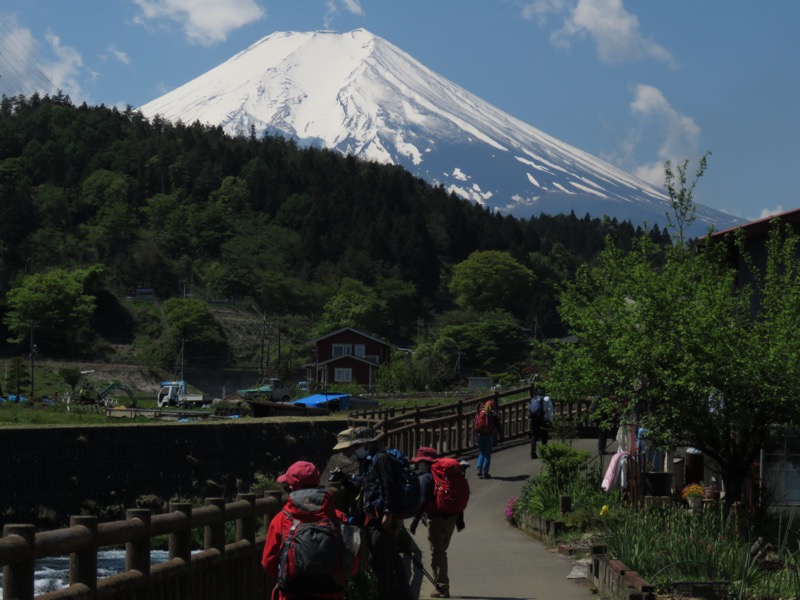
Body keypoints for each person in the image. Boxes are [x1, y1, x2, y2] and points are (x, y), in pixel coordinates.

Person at [261, 460, 359, 600]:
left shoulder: (281, 519)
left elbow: (268, 564)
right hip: (332, 594)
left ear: (291, 488)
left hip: (292, 594)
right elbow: (352, 564)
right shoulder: (338, 518)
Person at [350, 426, 414, 600]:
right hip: (375, 516)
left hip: (381, 517)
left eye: (357, 446)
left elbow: (389, 486)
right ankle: (400, 594)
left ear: (366, 443)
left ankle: (391, 595)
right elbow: (366, 486)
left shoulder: (381, 459)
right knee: (389, 557)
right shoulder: (369, 461)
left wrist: (388, 512)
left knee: (382, 560)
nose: (355, 450)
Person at [409, 447, 465, 599]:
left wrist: (414, 522)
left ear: (424, 462)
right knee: (441, 550)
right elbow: (457, 498)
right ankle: (442, 585)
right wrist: (460, 520)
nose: (418, 465)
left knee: (437, 552)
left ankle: (442, 588)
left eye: (419, 462)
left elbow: (422, 502)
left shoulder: (428, 477)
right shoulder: (448, 475)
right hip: (452, 518)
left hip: (435, 519)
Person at [474, 400, 503, 478]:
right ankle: (485, 472)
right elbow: (498, 425)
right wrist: (501, 435)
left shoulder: (479, 412)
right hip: (488, 435)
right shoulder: (492, 414)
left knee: (481, 452)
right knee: (487, 454)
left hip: (479, 435)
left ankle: (478, 469)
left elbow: (475, 424)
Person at [529, 388, 553, 459]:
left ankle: (533, 453)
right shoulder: (547, 399)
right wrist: (551, 421)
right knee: (544, 436)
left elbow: (530, 409)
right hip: (543, 420)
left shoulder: (533, 399)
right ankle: (544, 453)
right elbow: (550, 410)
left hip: (534, 420)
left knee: (533, 437)